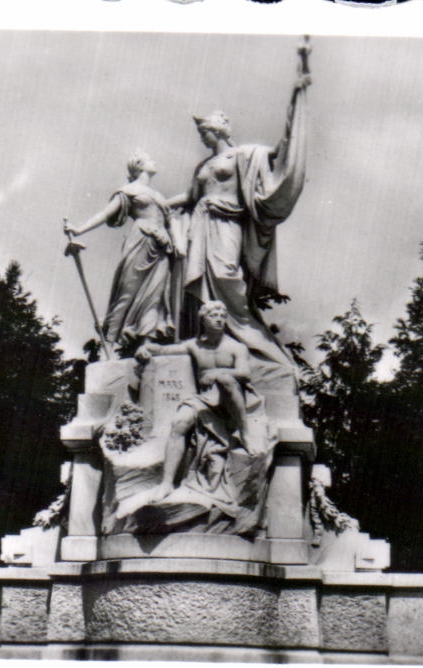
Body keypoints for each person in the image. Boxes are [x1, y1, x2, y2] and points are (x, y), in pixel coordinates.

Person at [166, 40, 311, 392]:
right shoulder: (203, 166)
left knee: (230, 288)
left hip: (226, 227)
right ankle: (207, 349)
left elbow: (283, 149)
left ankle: (271, 357)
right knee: (199, 295)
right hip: (199, 227)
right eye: (201, 132)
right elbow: (191, 197)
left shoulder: (246, 155)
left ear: (219, 130)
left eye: (205, 130)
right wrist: (160, 204)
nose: (202, 136)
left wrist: (296, 101)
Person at [130, 300, 274, 534]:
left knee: (227, 380)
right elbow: (166, 350)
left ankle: (245, 432)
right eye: (214, 314)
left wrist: (218, 373)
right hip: (205, 400)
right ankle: (166, 483)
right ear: (203, 319)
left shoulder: (236, 347)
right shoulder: (195, 346)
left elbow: (245, 373)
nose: (219, 318)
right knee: (179, 422)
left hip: (232, 401)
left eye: (222, 314)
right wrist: (147, 347)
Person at [64, 150, 176, 350]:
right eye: (150, 159)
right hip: (142, 239)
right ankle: (108, 341)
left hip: (162, 246)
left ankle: (147, 342)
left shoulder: (159, 196)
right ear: (139, 165)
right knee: (127, 290)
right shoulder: (128, 190)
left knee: (155, 294)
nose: (154, 160)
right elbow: (106, 214)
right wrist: (79, 229)